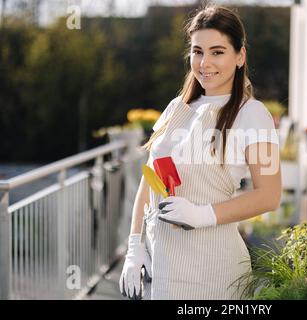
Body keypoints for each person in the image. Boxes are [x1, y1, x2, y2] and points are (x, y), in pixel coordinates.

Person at [119, 4, 282, 300]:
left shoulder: (252, 115)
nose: (205, 62)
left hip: (214, 271)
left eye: (217, 52)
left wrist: (202, 214)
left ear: (240, 56)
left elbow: (269, 195)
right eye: (197, 51)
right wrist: (134, 244)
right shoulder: (176, 108)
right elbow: (150, 176)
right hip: (165, 269)